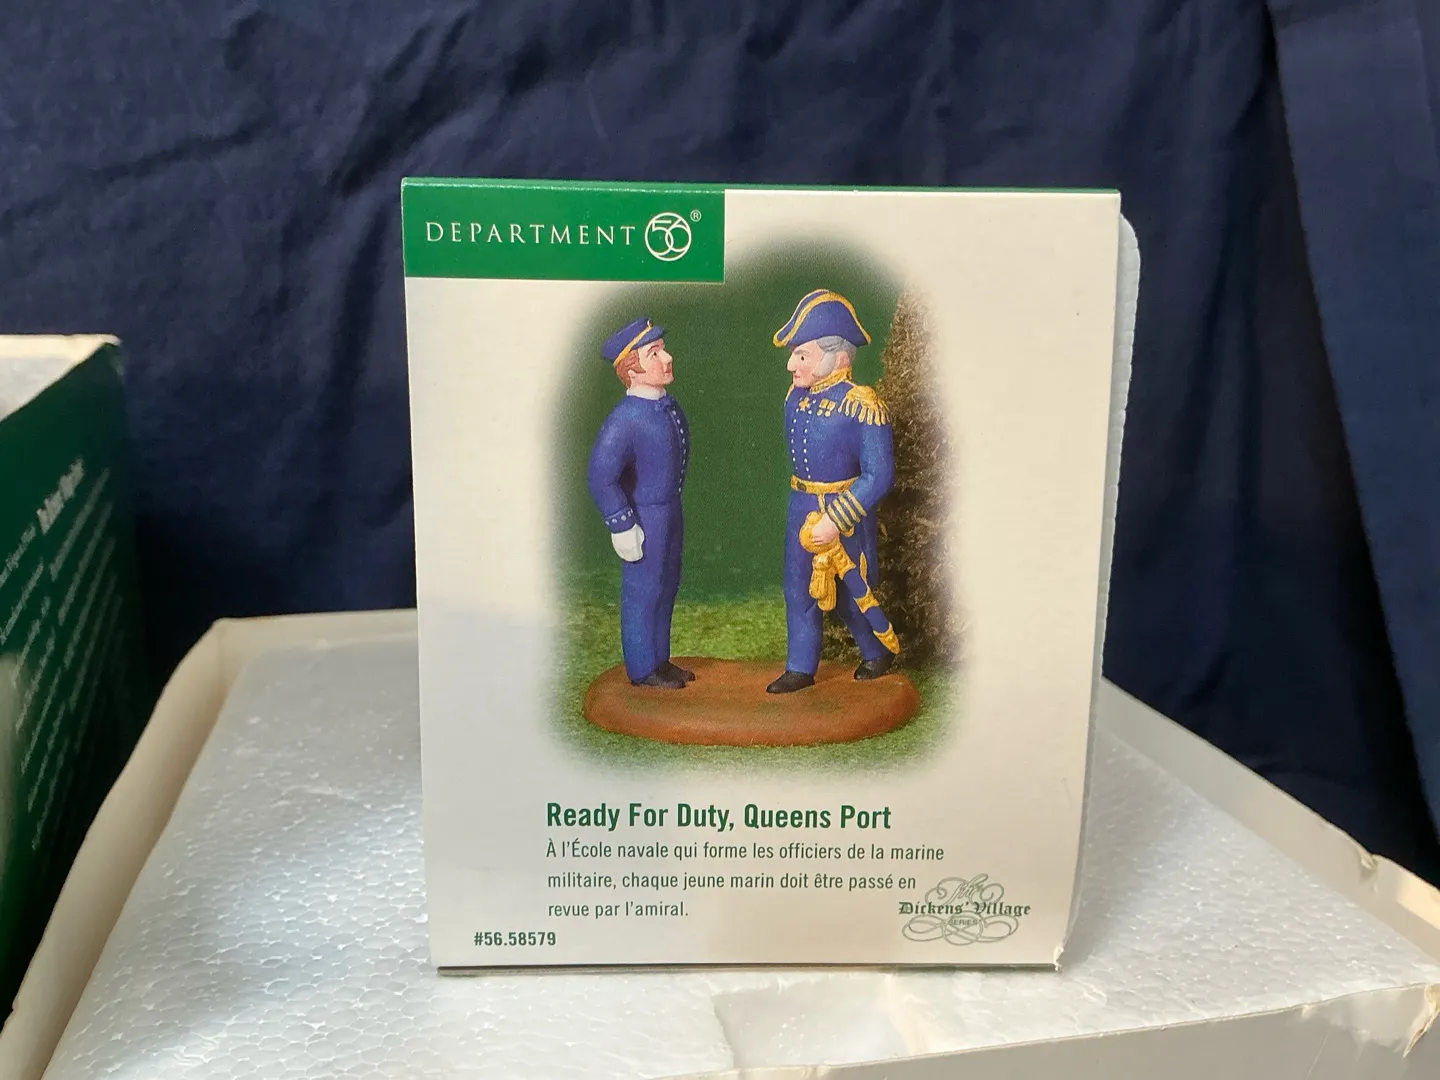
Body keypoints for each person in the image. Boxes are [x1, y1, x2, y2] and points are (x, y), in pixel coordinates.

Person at [767, 290, 900, 694]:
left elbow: (879, 474)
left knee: (850, 592)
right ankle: (799, 666)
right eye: (794, 355)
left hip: (845, 513)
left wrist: (837, 519)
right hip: (801, 506)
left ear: (838, 357)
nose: (791, 365)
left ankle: (876, 652)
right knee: (798, 589)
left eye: (802, 355)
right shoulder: (795, 398)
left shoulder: (861, 405)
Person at [586, 317, 693, 689]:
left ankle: (660, 660)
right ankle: (642, 666)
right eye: (655, 353)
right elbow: (601, 476)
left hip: (669, 511)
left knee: (666, 586)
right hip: (644, 516)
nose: (667, 358)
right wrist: (621, 523)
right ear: (632, 369)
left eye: (662, 349)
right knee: (643, 591)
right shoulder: (625, 420)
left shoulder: (665, 406)